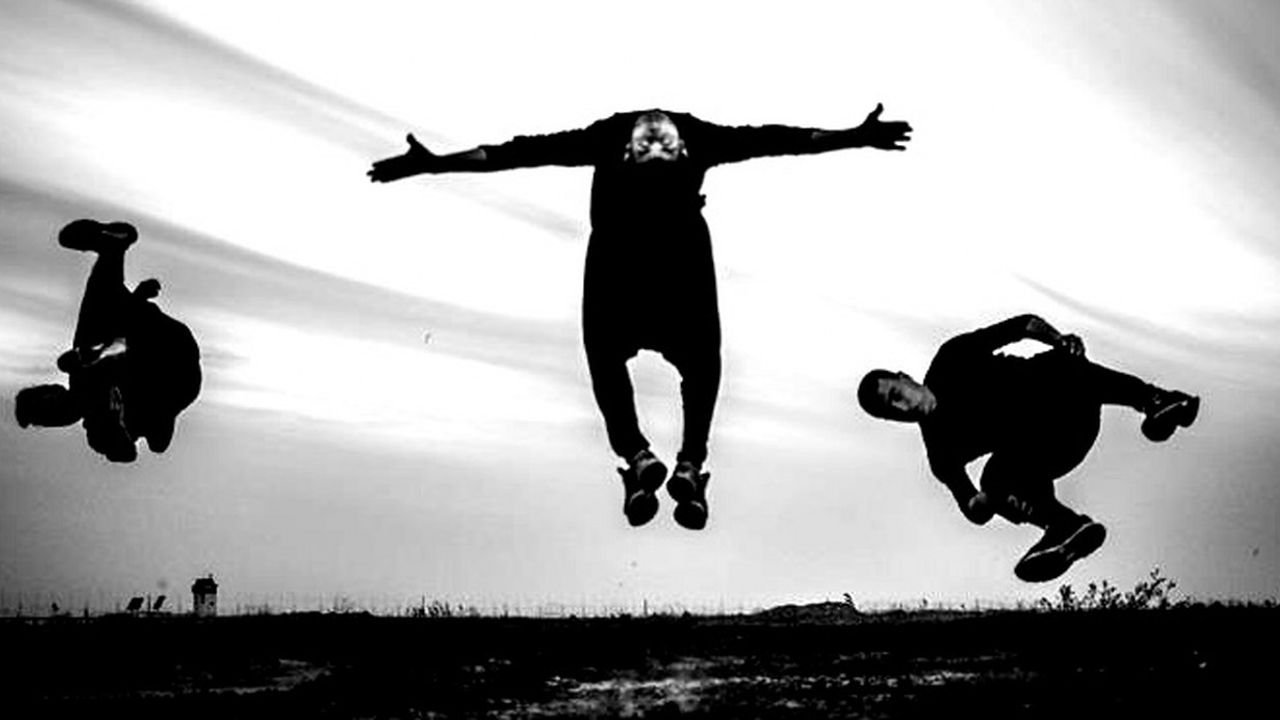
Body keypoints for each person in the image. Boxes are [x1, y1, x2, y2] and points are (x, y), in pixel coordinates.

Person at [368, 105, 912, 529]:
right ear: (627, 151)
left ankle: (677, 464)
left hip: (661, 274)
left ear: (681, 150)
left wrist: (853, 135)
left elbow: (781, 139)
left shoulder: (697, 137)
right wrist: (436, 163)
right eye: (649, 148)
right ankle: (647, 459)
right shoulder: (608, 137)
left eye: (664, 150)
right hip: (633, 274)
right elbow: (516, 153)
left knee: (694, 361)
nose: (655, 147)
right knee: (629, 355)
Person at [856, 314, 1199, 582]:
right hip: (1054, 445)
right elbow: (972, 508)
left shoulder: (951, 358)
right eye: (891, 410)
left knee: (1059, 365)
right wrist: (985, 501)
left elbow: (1023, 325)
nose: (901, 407)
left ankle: (1157, 401)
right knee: (996, 477)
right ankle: (1064, 526)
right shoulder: (941, 452)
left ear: (904, 377)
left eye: (896, 395)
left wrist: (1059, 338)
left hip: (1067, 400)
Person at [14, 220, 202, 463]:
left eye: (48, 406)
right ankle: (113, 251)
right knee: (92, 348)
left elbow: (123, 344)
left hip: (165, 343)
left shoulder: (80, 372)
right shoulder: (97, 428)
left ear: (53, 389)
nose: (55, 414)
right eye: (47, 418)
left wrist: (134, 304)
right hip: (174, 375)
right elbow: (140, 450)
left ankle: (112, 250)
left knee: (91, 340)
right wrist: (116, 427)